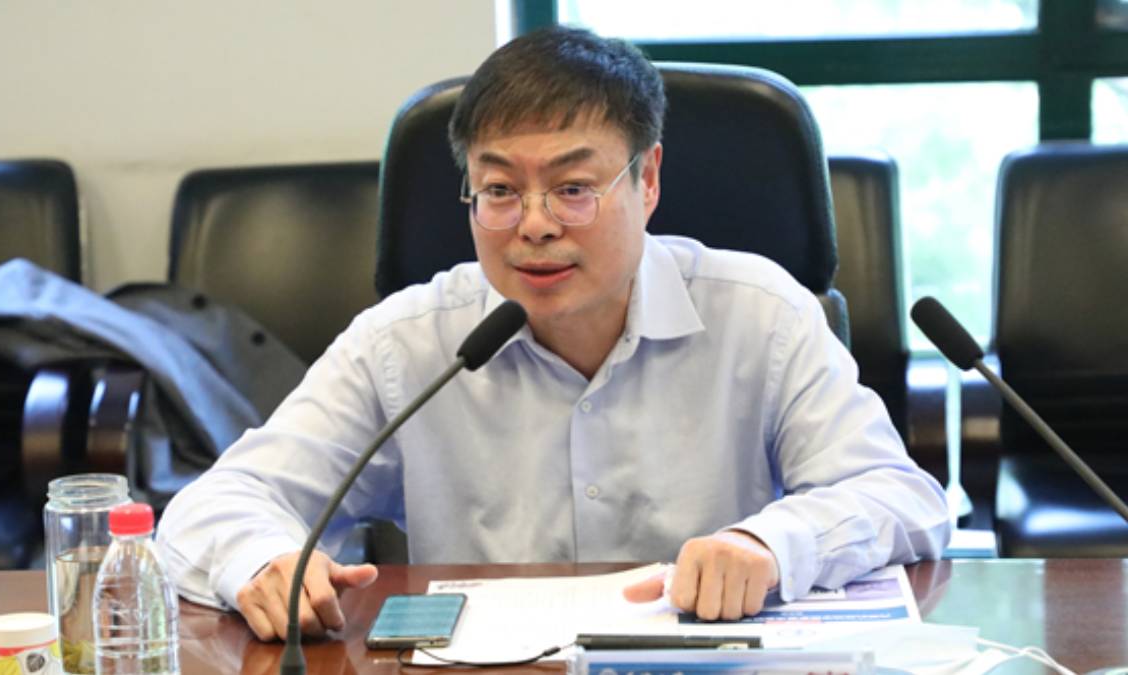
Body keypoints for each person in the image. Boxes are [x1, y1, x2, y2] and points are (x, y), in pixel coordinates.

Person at [156, 25, 949, 642]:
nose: (533, 225)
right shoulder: (407, 343)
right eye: (500, 189)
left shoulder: (761, 315)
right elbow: (218, 503)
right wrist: (262, 559)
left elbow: (901, 496)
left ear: (647, 179)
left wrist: (770, 544)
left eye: (572, 187)